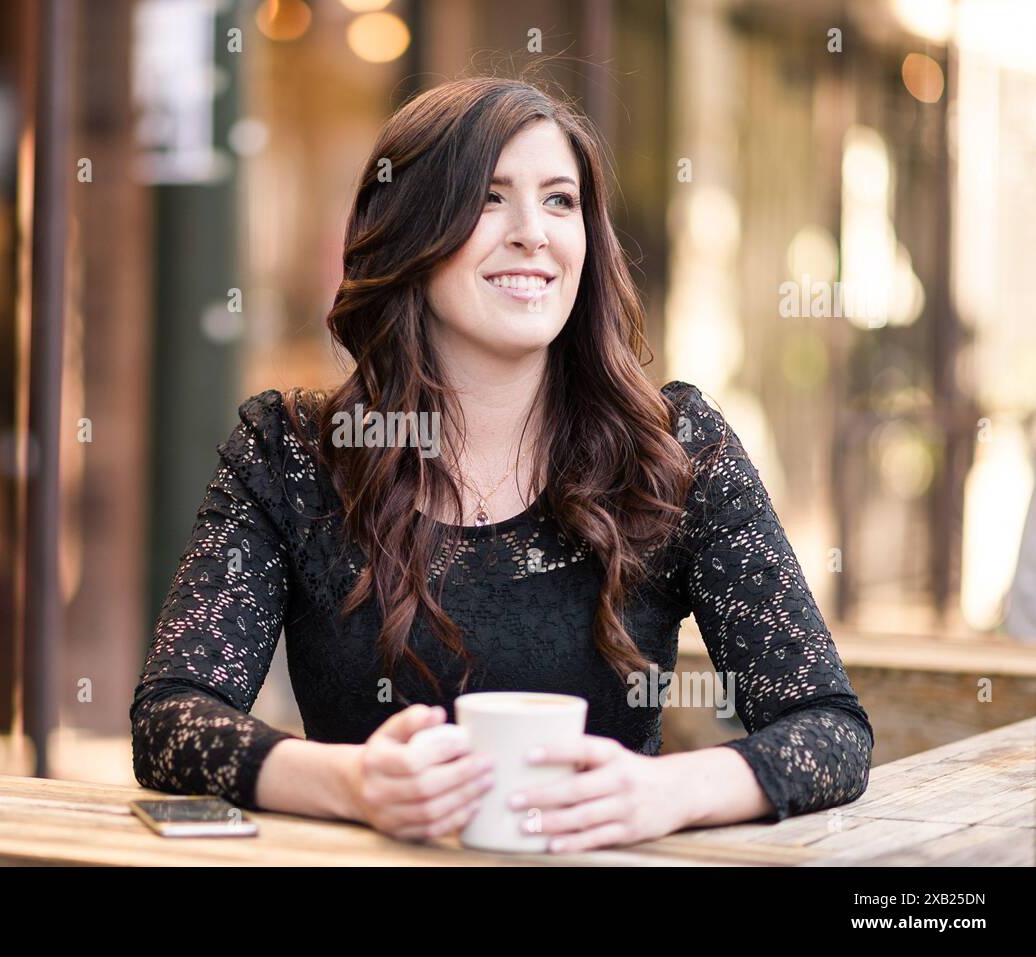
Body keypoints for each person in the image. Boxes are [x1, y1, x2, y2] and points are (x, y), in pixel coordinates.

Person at [130, 75, 874, 853]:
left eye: (560, 200)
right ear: (410, 230)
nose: (533, 233)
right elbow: (173, 717)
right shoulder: (291, 453)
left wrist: (668, 791)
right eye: (490, 198)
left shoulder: (672, 448)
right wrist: (350, 784)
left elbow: (828, 729)